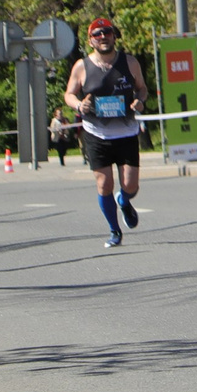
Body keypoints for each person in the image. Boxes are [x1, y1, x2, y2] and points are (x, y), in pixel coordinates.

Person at [65, 19, 149, 246]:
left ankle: (124, 200)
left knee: (130, 185)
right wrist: (78, 105)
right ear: (90, 40)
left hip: (126, 131)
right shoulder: (82, 66)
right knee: (104, 185)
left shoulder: (129, 62)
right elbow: (69, 94)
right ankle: (114, 231)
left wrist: (139, 102)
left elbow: (142, 89)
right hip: (96, 133)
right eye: (97, 34)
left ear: (114, 36)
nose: (103, 37)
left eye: (107, 33)